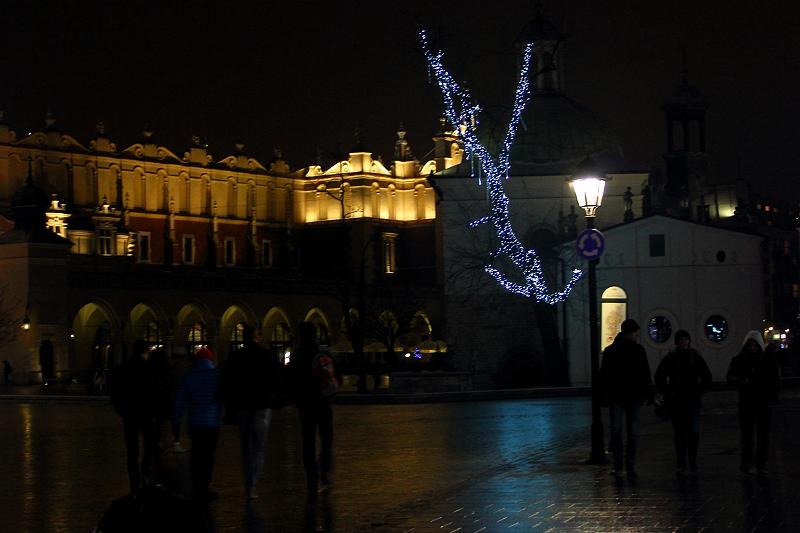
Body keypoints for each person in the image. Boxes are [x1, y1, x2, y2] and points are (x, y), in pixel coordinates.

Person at [221, 325, 281, 500]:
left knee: (246, 446)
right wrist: (276, 397)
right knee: (258, 447)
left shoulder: (236, 356)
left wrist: (230, 406)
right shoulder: (266, 355)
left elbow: (227, 381)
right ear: (257, 337)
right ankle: (252, 484)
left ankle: (248, 482)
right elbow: (277, 378)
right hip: (262, 406)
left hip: (243, 407)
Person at [287, 321, 341, 494]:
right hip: (323, 401)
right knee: (327, 438)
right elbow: (336, 375)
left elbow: (290, 379)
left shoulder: (297, 354)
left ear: (301, 335)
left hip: (305, 403)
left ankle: (312, 479)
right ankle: (324, 469)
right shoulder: (323, 352)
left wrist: (294, 399)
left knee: (308, 442)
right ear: (315, 334)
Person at [600, 318, 653, 480]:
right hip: (634, 396)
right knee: (632, 433)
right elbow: (645, 373)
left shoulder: (610, 350)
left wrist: (604, 396)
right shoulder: (638, 350)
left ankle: (618, 466)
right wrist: (648, 394)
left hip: (617, 396)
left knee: (617, 431)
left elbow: (604, 376)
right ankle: (630, 466)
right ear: (632, 332)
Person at [654, 330, 712, 475]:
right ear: (677, 342)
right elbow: (659, 376)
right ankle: (685, 463)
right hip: (682, 401)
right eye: (681, 339)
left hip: (687, 400)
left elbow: (706, 376)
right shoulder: (689, 357)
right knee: (684, 432)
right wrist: (699, 390)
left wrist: (667, 389)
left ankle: (687, 462)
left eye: (685, 339)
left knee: (689, 432)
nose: (683, 342)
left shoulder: (680, 357)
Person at [727, 330, 781, 476]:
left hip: (762, 402)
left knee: (762, 436)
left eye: (754, 345)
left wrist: (772, 397)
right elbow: (730, 377)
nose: (752, 348)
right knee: (748, 436)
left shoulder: (766, 360)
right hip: (748, 402)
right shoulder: (740, 359)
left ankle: (760, 464)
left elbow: (775, 381)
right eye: (750, 345)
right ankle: (748, 464)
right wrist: (741, 382)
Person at [173, 346, 222, 502]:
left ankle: (196, 484)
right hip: (212, 422)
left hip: (195, 423)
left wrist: (176, 420)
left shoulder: (190, 377)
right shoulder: (216, 376)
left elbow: (179, 402)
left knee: (197, 454)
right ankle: (206, 485)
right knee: (209, 456)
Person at [111, 339, 159, 494]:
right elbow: (156, 391)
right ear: (146, 351)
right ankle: (146, 474)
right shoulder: (149, 368)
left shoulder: (123, 368)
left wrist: (122, 410)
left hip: (130, 413)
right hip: (146, 412)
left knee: (132, 449)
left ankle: (134, 482)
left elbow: (115, 393)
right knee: (149, 445)